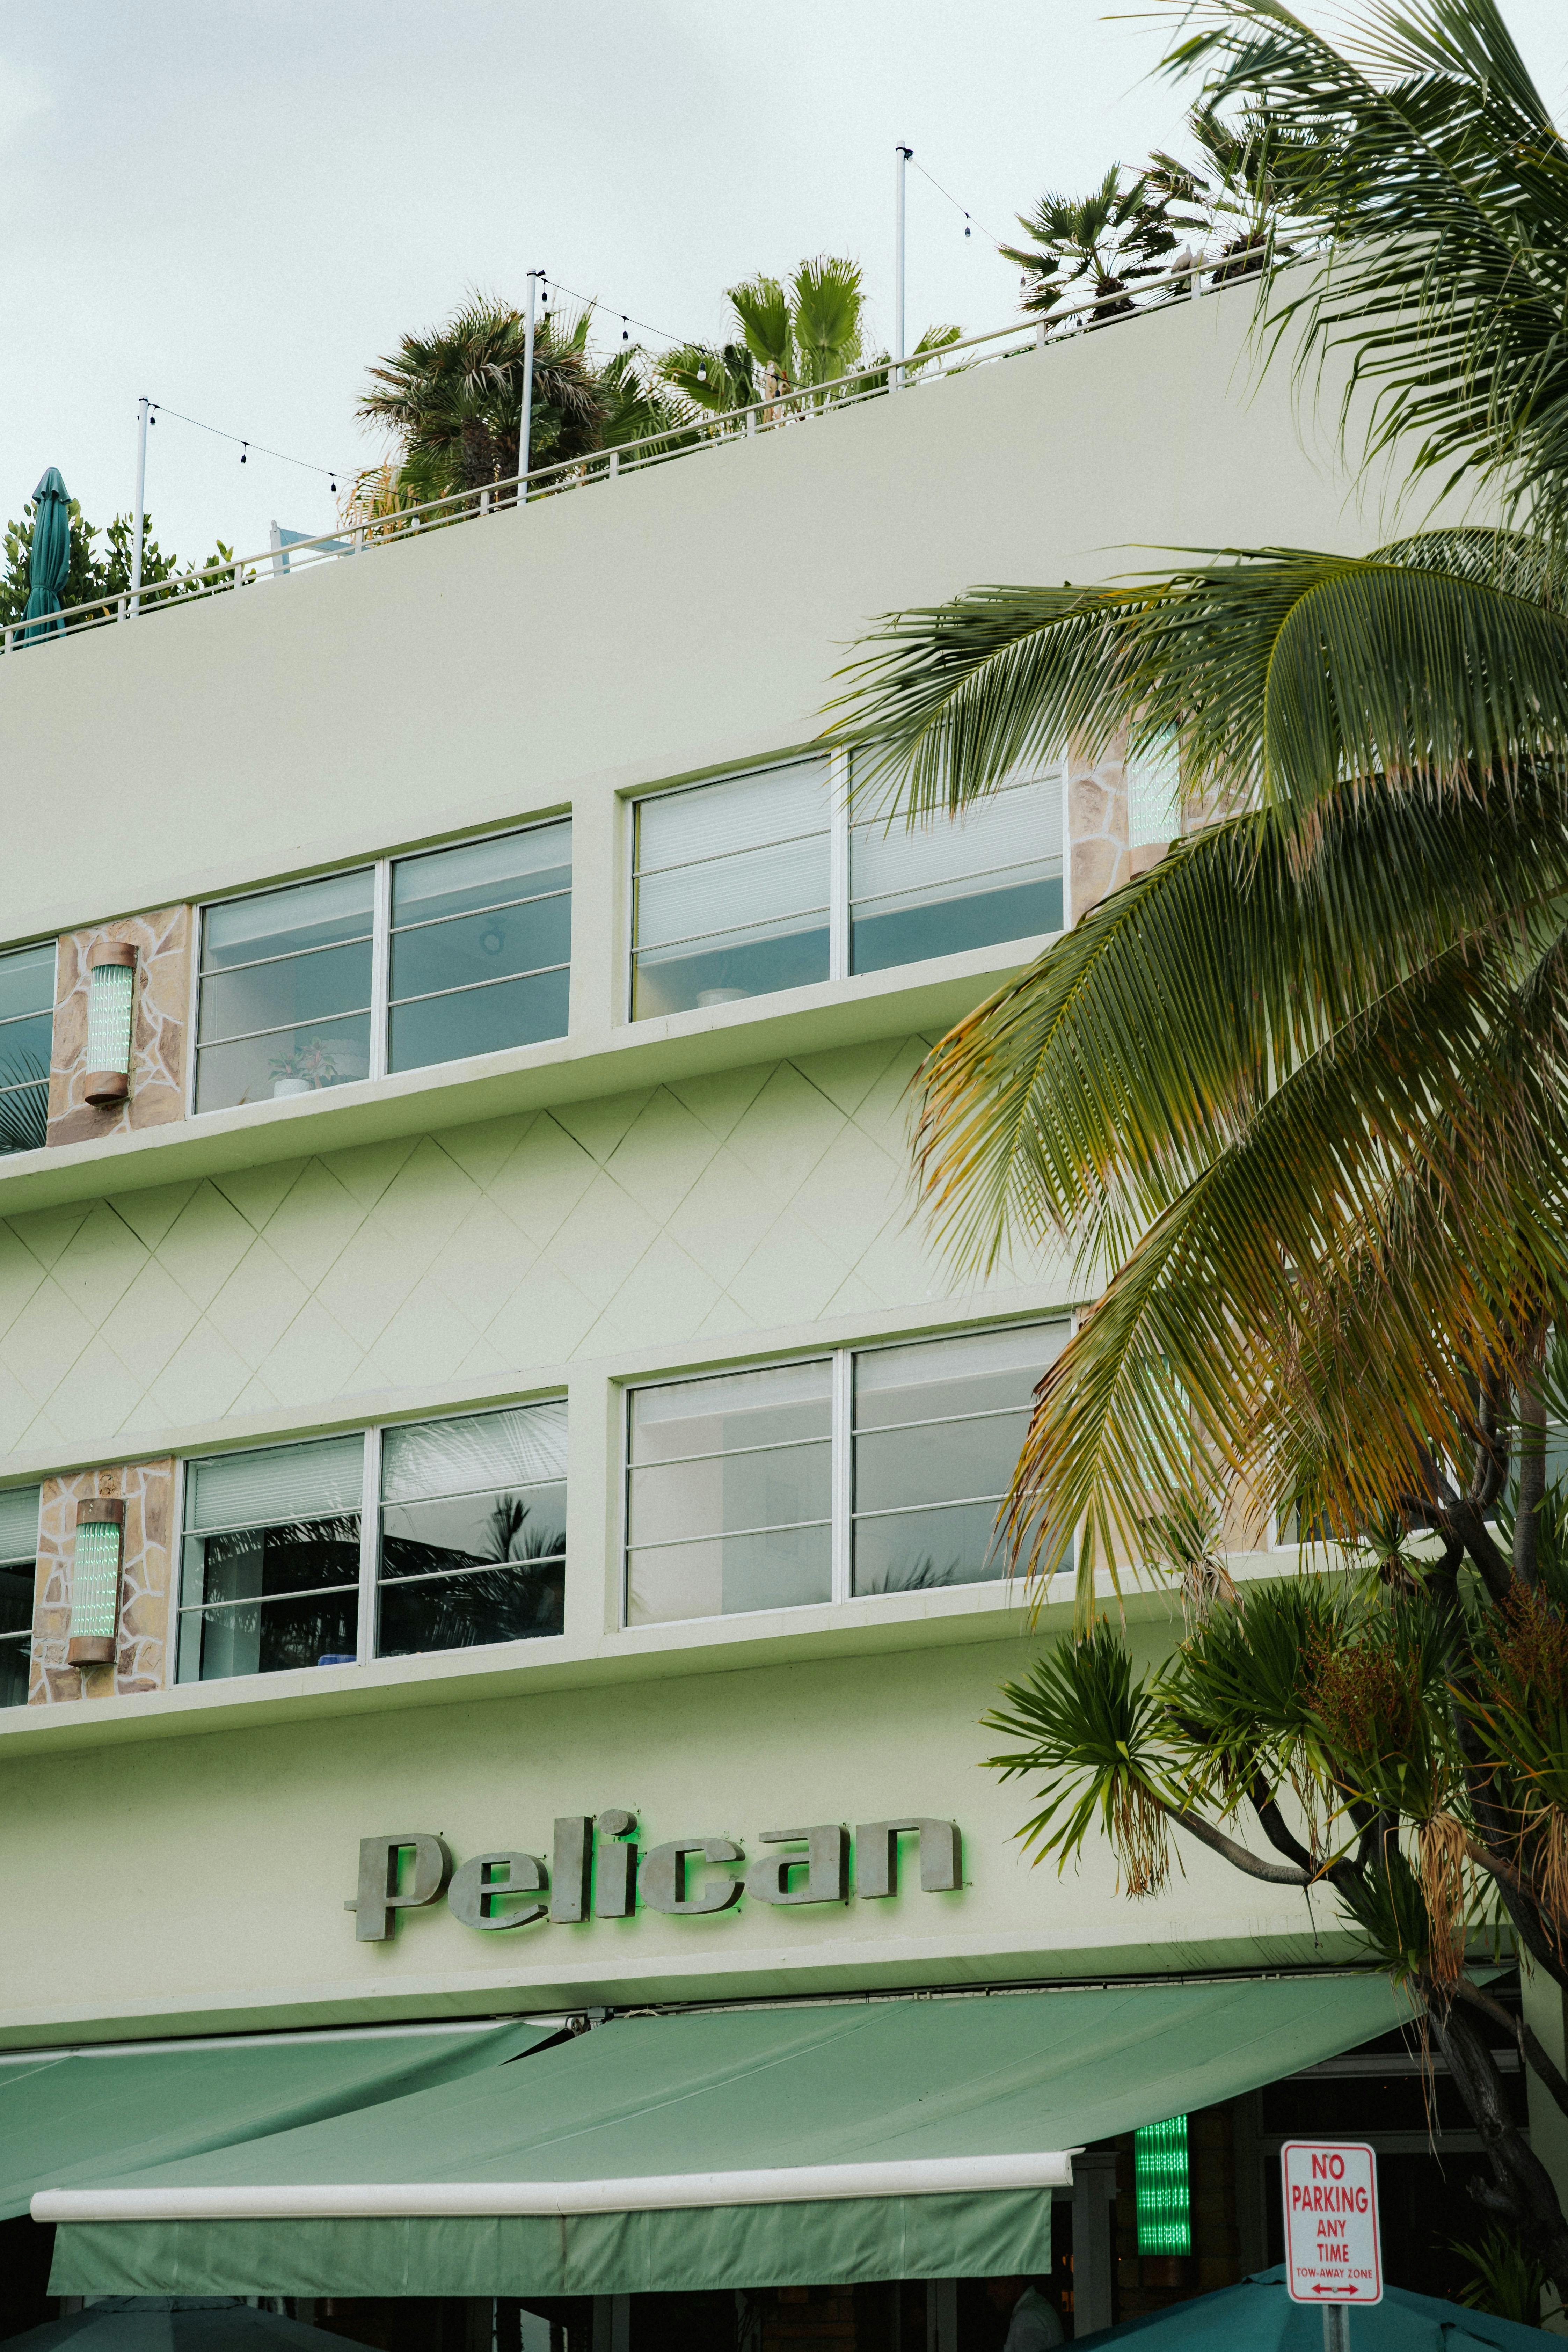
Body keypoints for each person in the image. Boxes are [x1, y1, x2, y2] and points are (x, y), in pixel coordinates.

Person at [983, 2275, 1064, 2352]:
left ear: (1016, 2280)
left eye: (995, 2282)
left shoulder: (1027, 2317)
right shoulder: (1036, 2307)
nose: (989, 2292)